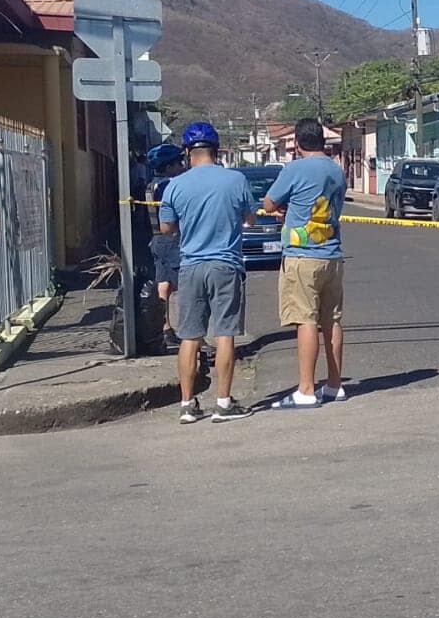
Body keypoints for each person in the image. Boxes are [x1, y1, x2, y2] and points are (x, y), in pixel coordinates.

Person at [158, 122, 255, 424]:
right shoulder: (236, 179)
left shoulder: (175, 185)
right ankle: (223, 404)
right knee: (224, 333)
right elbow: (249, 218)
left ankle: (187, 405)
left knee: (190, 336)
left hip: (190, 267)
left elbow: (166, 228)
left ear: (188, 153)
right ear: (217, 150)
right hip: (226, 265)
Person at [262, 118, 348, 409]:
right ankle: (335, 384)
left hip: (302, 254)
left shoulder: (294, 169)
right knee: (332, 320)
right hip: (332, 254)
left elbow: (270, 203)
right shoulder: (336, 170)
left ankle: (306, 389)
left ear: (297, 144)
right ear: (322, 142)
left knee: (305, 320)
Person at [145, 143, 187, 347]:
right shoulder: (167, 186)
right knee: (183, 283)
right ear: (168, 166)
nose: (182, 166)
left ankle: (164, 327)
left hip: (157, 239)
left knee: (164, 283)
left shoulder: (150, 184)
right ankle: (185, 330)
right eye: (178, 162)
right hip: (171, 238)